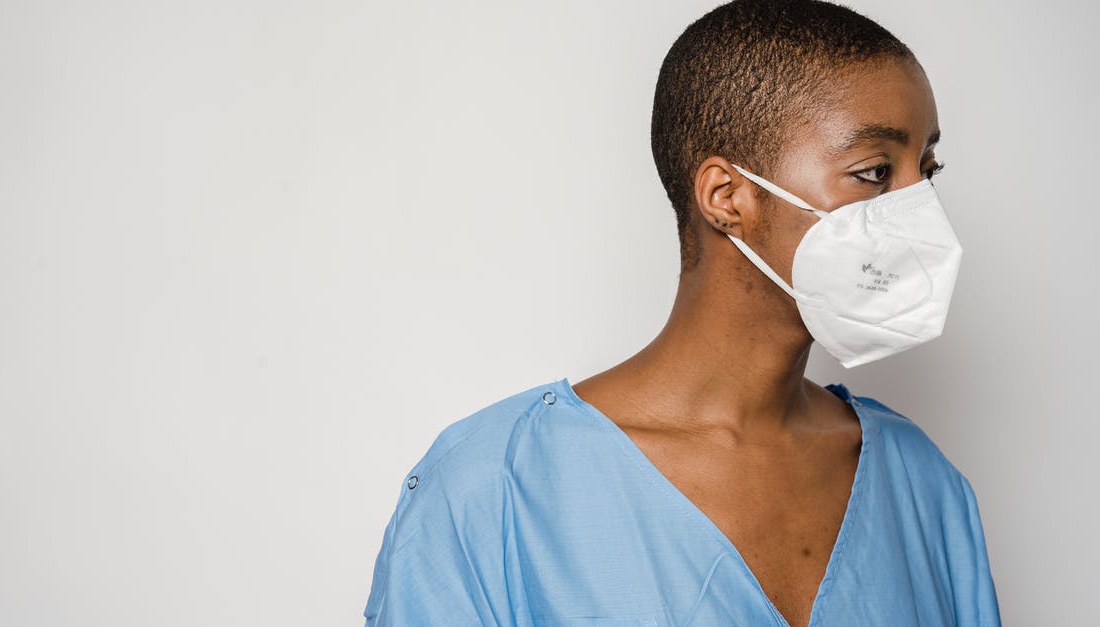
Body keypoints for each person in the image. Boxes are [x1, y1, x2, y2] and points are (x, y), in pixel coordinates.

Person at [363, 0, 1001, 625]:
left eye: (928, 170)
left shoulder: (922, 487)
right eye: (874, 172)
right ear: (728, 197)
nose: (919, 214)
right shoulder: (491, 491)